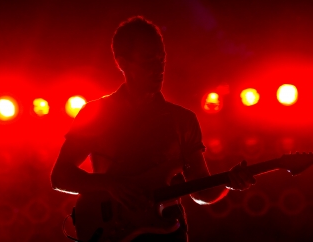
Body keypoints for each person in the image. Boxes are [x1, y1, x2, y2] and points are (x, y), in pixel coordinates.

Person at [50, 16, 256, 242]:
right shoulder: (96, 113)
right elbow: (60, 176)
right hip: (112, 231)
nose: (158, 68)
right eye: (149, 61)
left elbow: (201, 192)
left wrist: (229, 182)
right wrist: (109, 185)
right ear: (122, 63)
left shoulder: (182, 121)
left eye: (162, 60)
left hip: (167, 232)